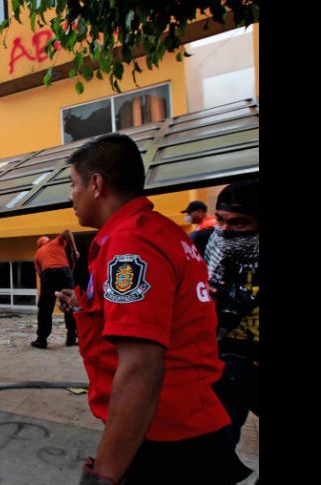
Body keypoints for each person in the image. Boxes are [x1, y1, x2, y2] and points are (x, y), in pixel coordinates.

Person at [54, 133, 250, 484]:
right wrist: (86, 308)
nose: (71, 196)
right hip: (181, 423)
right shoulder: (162, 232)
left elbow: (142, 366)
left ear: (97, 184)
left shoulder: (129, 242)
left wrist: (105, 473)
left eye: (73, 184)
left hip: (165, 436)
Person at [203, 180, 260, 452]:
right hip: (224, 360)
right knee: (217, 447)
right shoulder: (204, 245)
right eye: (221, 220)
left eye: (239, 223)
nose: (225, 230)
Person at [32, 230, 80, 349]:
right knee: (70, 304)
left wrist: (48, 288)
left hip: (48, 274)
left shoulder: (37, 254)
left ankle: (41, 340)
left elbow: (40, 274)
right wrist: (74, 250)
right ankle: (71, 338)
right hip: (64, 271)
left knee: (45, 308)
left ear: (39, 245)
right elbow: (68, 232)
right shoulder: (57, 242)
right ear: (48, 240)